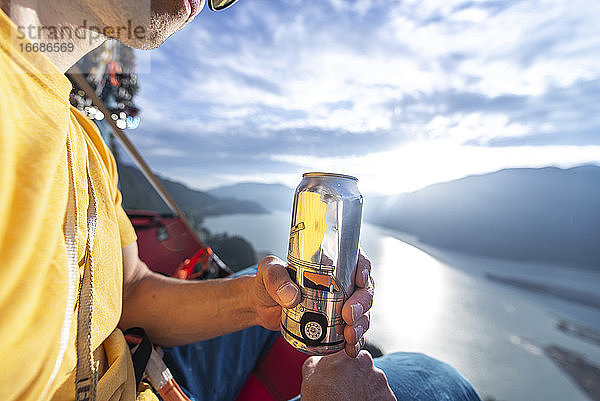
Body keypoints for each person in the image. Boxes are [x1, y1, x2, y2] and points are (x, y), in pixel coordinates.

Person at [0, 0, 482, 400]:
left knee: (264, 279)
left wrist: (255, 304)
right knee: (436, 379)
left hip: (142, 370)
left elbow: (129, 292)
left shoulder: (81, 137)